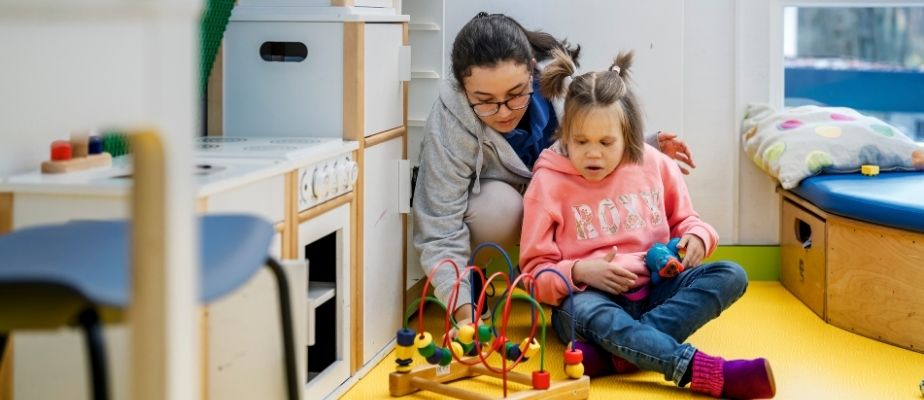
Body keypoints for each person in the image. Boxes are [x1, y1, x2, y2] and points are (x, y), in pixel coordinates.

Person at [518, 49, 775, 399]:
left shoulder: (654, 163)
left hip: (655, 291)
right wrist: (580, 271)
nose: (593, 154)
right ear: (565, 136)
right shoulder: (547, 183)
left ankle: (619, 355)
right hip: (588, 303)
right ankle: (698, 369)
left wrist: (697, 239)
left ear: (629, 136)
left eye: (607, 143)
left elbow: (689, 222)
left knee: (731, 274)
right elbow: (533, 275)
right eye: (580, 142)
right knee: (591, 312)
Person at [412, 11, 696, 328]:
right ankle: (477, 281)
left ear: (532, 69)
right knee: (499, 207)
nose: (504, 112)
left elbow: (589, 137)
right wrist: (463, 314)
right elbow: (438, 228)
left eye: (516, 94)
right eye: (486, 101)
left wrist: (642, 145)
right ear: (464, 90)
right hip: (502, 212)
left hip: (557, 225)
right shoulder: (449, 123)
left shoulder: (559, 88)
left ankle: (569, 282)